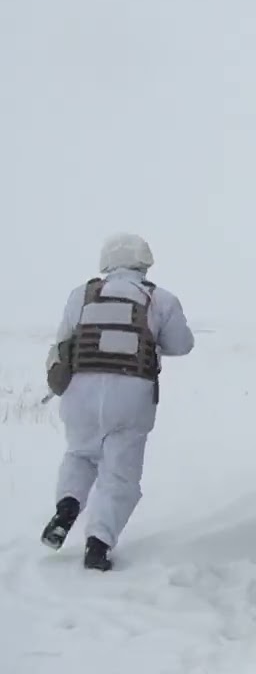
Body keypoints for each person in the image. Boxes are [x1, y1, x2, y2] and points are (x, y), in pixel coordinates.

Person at [40, 233, 195, 571]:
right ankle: (98, 544)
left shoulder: (81, 295)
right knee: (119, 476)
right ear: (144, 260)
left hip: (80, 393)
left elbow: (64, 340)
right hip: (130, 396)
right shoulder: (160, 299)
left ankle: (66, 508)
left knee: (79, 455)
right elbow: (182, 344)